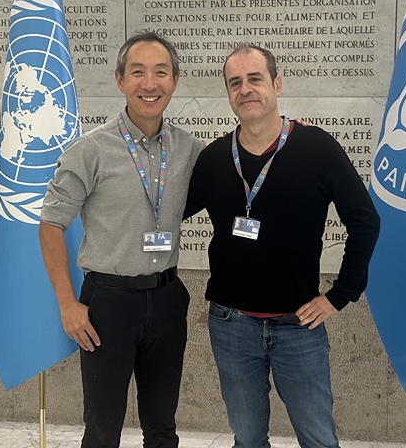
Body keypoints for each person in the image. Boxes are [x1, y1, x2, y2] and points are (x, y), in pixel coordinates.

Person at [184, 44, 380, 448]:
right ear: (228, 94)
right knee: (248, 439)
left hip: (298, 327)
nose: (246, 89)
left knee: (319, 440)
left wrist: (340, 295)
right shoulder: (215, 158)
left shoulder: (317, 148)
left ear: (276, 84)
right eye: (235, 82)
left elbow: (365, 220)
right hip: (231, 325)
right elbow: (165, 212)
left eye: (255, 78)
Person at [39, 31, 204, 448]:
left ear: (175, 80)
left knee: (162, 427)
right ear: (120, 80)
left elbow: (245, 163)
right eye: (138, 73)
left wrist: (294, 136)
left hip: (167, 299)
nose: (150, 84)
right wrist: (67, 304)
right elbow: (50, 223)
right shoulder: (91, 150)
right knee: (102, 429)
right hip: (108, 304)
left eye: (160, 73)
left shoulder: (190, 149)